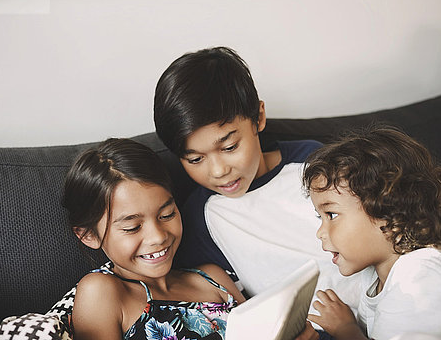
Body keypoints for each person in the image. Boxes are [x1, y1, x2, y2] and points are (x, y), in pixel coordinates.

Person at [153, 47, 361, 330]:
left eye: (229, 147)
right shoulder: (200, 218)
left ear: (258, 118)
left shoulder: (312, 163)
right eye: (195, 159)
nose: (218, 171)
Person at [62, 138, 318, 340]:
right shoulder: (103, 292)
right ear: (88, 235)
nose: (158, 236)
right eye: (132, 227)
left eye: (166, 214)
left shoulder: (213, 278)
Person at [302, 126, 441, 340]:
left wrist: (346, 330)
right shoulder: (375, 278)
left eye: (331, 215)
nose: (320, 232)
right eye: (319, 217)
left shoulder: (420, 272)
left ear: (390, 213)